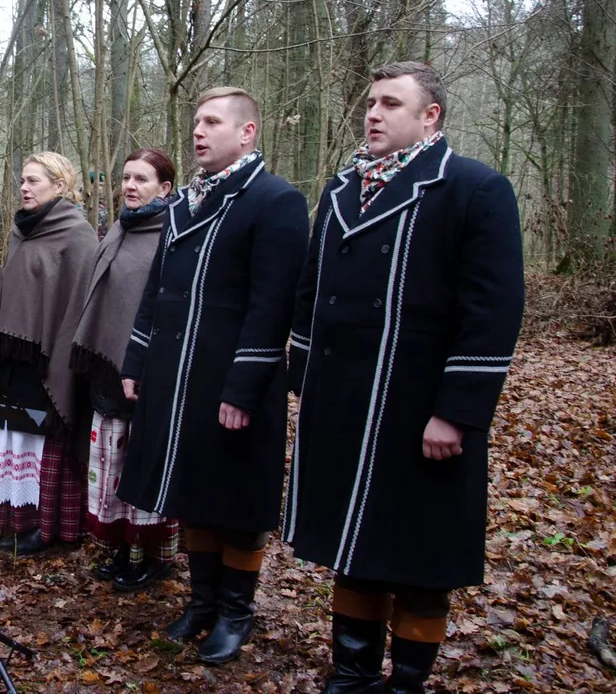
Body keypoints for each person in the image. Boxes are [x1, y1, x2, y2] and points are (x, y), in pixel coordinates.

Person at [284, 62, 525, 693]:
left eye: (391, 103)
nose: (373, 114)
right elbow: (311, 290)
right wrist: (304, 375)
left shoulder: (473, 188)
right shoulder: (342, 189)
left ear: (430, 115)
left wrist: (457, 411)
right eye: (371, 102)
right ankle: (352, 671)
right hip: (342, 400)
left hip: (419, 406)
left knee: (418, 557)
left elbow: (493, 312)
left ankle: (405, 683)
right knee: (352, 546)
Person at [120, 87, 308, 663]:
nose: (198, 132)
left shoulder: (276, 200)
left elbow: (274, 304)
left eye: (212, 122)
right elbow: (157, 290)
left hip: (234, 380)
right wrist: (137, 360)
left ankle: (235, 612)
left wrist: (244, 387)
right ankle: (202, 603)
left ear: (247, 132)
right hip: (176, 376)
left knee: (236, 500)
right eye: (196, 121)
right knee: (192, 491)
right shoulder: (184, 203)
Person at [70, 149, 179, 589]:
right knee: (110, 465)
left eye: (142, 179)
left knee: (141, 465)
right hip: (106, 372)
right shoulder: (118, 228)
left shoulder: (171, 233)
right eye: (127, 177)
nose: (130, 186)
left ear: (165, 188)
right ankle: (121, 547)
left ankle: (151, 554)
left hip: (146, 372)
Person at [0, 152, 96, 556]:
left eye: (33, 181)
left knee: (42, 443)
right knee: (14, 437)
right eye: (22, 181)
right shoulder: (22, 230)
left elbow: (78, 307)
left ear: (59, 185)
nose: (24, 188)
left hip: (50, 362)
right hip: (15, 358)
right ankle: (14, 518)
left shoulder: (78, 235)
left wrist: (60, 358)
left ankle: (45, 526)